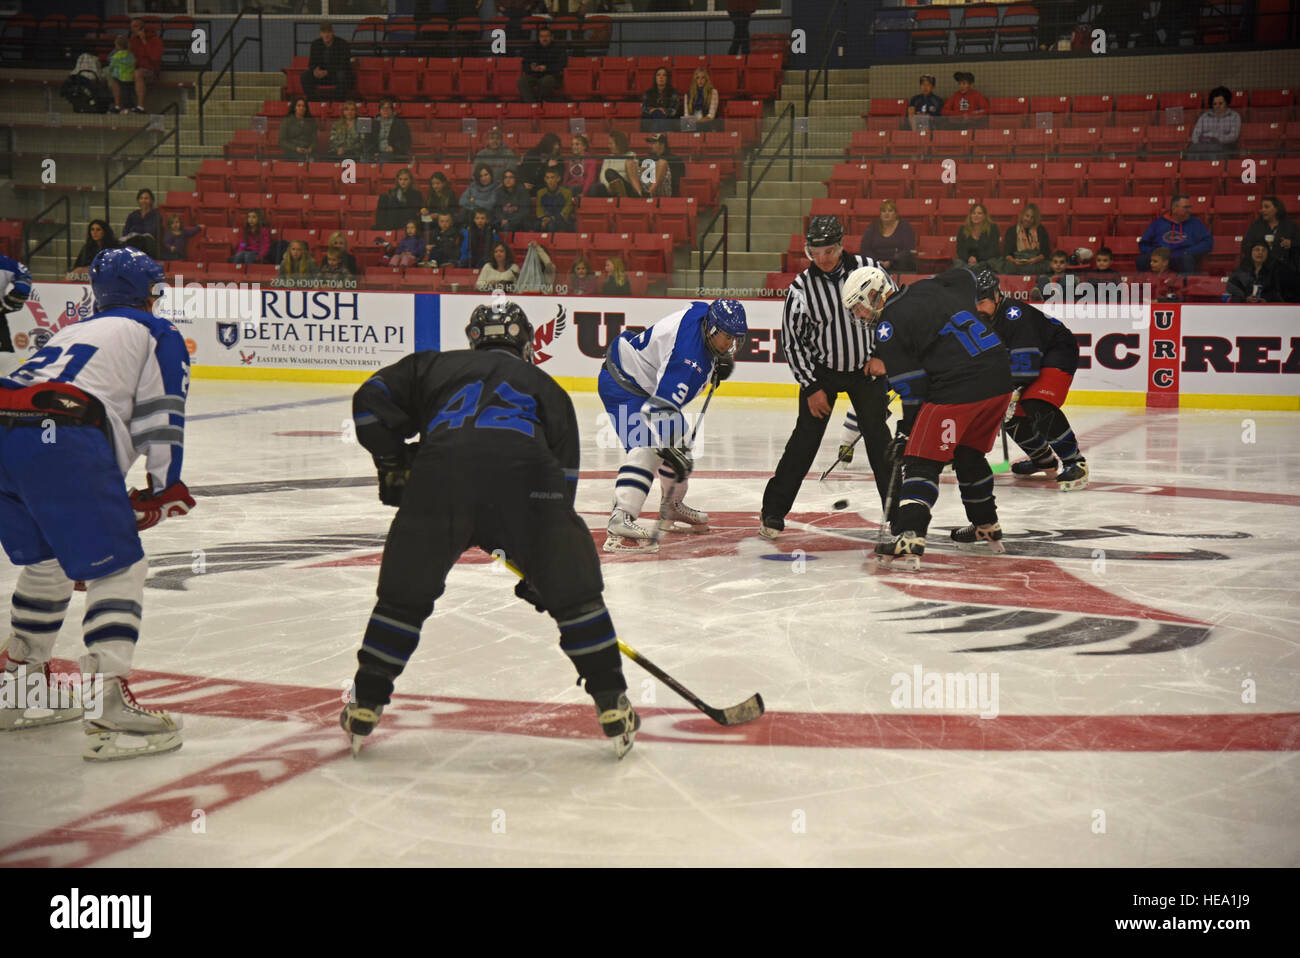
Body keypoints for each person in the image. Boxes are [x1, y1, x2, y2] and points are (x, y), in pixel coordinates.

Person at [340, 301, 642, 759]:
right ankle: (612, 701)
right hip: (528, 485)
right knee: (577, 597)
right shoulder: (547, 387)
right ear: (525, 344)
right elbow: (561, 490)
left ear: (473, 338)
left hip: (440, 480)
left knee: (403, 598)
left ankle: (366, 701)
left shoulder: (434, 366)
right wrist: (546, 570)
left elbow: (368, 406)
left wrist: (395, 461)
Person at [0, 247, 191, 755]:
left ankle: (17, 692)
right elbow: (162, 412)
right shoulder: (157, 333)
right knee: (120, 567)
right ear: (149, 291)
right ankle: (109, 711)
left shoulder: (69, 332)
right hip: (62, 432)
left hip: (5, 431)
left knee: (47, 567)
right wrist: (164, 486)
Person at [843, 265, 1012, 570]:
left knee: (921, 459)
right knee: (968, 454)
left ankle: (910, 534)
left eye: (858, 305)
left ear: (873, 293)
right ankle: (986, 522)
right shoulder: (929, 287)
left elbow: (914, 388)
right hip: (999, 378)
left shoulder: (888, 326)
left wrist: (907, 433)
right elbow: (965, 276)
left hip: (960, 386)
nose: (859, 315)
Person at [759, 215, 892, 539]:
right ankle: (772, 512)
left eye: (828, 252)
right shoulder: (802, 289)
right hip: (823, 373)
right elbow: (792, 343)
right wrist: (812, 386)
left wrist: (882, 355)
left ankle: (899, 514)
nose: (822, 259)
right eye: (815, 253)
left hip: (865, 371)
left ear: (841, 246)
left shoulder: (868, 268)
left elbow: (894, 310)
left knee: (880, 442)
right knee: (804, 443)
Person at [597, 299, 747, 552]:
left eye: (735, 338)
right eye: (727, 337)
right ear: (710, 330)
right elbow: (659, 410)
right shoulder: (688, 361)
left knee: (680, 442)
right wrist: (671, 448)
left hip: (642, 380)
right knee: (648, 447)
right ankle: (619, 521)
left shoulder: (704, 315)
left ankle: (671, 506)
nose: (731, 344)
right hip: (623, 383)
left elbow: (696, 306)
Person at [972, 269, 1088, 491]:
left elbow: (1026, 365)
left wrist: (1011, 390)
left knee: (1036, 403)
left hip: (1056, 351)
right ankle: (1043, 460)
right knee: (1009, 415)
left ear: (996, 296)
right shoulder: (981, 318)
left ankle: (1075, 461)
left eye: (983, 302)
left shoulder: (1015, 315)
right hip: (1029, 359)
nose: (978, 308)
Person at [1241, 196, 1299, 301]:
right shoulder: (1256, 226)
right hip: (1262, 268)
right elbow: (1245, 245)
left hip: (1285, 268)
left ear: (1277, 209)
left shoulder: (1291, 226)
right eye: (1261, 207)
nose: (1262, 210)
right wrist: (1258, 249)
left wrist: (1292, 244)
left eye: (1266, 207)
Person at [1137, 195, 1212, 274]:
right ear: (1174, 209)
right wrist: (1155, 253)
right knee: (1142, 260)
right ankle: (1147, 285)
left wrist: (1189, 252)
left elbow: (1208, 242)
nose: (1190, 210)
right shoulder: (1158, 223)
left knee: (1187, 260)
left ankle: (1187, 285)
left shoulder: (1195, 223)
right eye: (1186, 207)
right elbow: (1144, 243)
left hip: (1181, 257)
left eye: (1190, 207)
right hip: (1161, 256)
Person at [300, 21, 353, 101]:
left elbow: (344, 64)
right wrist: (315, 70)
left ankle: (337, 103)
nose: (326, 35)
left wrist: (328, 71)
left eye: (328, 32)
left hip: (335, 75)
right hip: (321, 76)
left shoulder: (342, 44)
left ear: (333, 33)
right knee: (305, 76)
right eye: (324, 32)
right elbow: (311, 63)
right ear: (320, 34)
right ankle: (314, 101)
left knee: (342, 75)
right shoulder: (315, 44)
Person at [860, 199, 916, 274]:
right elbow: (865, 248)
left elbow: (908, 249)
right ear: (880, 214)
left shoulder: (905, 227)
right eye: (883, 211)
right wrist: (876, 261)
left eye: (890, 211)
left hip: (898, 264)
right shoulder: (873, 227)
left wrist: (891, 262)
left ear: (896, 214)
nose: (886, 213)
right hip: (876, 264)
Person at [995, 203, 1051, 275]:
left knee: (1044, 266)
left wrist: (1034, 260)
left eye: (1032, 217)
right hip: (1017, 260)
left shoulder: (1041, 230)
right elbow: (1007, 253)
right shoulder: (1012, 230)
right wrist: (1014, 261)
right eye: (1027, 216)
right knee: (1007, 266)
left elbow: (1045, 252)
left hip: (1035, 260)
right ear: (1022, 216)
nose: (1028, 219)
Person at [1187, 86, 1241, 160]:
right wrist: (1202, 142)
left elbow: (1233, 135)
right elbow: (1195, 135)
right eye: (1215, 104)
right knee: (1192, 148)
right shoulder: (1204, 116)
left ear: (1227, 102)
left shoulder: (1234, 116)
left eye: (1220, 103)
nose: (1217, 106)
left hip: (1223, 145)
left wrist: (1217, 139)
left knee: (1215, 149)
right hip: (1203, 145)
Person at [0, 253, 33, 376]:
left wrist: (16, 295)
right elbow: (24, 276)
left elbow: (24, 276)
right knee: (7, 359)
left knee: (6, 357)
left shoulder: (4, 262)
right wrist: (16, 296)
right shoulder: (5, 262)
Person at [518, 25, 567, 103]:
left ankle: (539, 102)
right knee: (522, 81)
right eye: (542, 36)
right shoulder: (532, 48)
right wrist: (531, 67)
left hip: (552, 76)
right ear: (538, 37)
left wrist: (546, 68)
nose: (544, 39)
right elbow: (525, 64)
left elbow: (562, 65)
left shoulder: (558, 49)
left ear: (551, 37)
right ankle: (531, 104)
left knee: (547, 80)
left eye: (547, 36)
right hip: (535, 75)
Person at [126, 17, 162, 114]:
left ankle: (140, 107)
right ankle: (119, 106)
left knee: (138, 73)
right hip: (133, 68)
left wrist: (144, 41)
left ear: (143, 28)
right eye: (132, 27)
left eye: (136, 26)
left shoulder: (155, 40)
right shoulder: (132, 41)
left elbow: (154, 57)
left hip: (150, 70)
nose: (133, 29)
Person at [593, 130, 639, 199]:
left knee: (610, 173)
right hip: (610, 188)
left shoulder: (631, 155)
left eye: (611, 144)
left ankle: (622, 197)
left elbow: (634, 175)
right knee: (595, 187)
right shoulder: (608, 158)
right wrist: (608, 186)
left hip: (626, 186)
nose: (609, 146)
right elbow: (602, 175)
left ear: (619, 144)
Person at [954, 202, 999, 269]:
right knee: (957, 264)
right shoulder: (963, 229)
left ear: (984, 216)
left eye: (979, 213)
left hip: (985, 261)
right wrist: (969, 258)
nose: (976, 215)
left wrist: (977, 258)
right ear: (970, 215)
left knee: (991, 263)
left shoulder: (992, 228)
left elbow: (992, 250)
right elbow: (960, 249)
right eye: (973, 213)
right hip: (966, 261)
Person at [364, 98, 411, 163]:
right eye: (383, 108)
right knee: (364, 160)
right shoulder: (374, 123)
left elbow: (406, 141)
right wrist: (374, 151)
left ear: (392, 110)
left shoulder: (400, 123)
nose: (385, 110)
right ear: (379, 110)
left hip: (393, 153)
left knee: (383, 160)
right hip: (376, 153)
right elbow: (368, 140)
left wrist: (394, 148)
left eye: (388, 108)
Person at [120, 188, 161, 259]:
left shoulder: (156, 215)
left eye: (146, 198)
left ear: (151, 200)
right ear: (138, 200)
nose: (143, 200)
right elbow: (126, 231)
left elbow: (153, 232)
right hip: (133, 242)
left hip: (148, 244)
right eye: (141, 198)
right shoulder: (133, 215)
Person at [492, 168, 534, 234]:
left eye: (510, 177)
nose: (508, 180)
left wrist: (509, 220)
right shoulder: (499, 192)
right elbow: (497, 210)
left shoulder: (522, 191)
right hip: (503, 220)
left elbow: (524, 212)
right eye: (505, 177)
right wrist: (502, 219)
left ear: (515, 179)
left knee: (508, 226)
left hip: (517, 221)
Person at [640, 66, 680, 134]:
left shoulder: (673, 93)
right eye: (658, 75)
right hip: (651, 120)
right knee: (657, 113)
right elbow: (644, 108)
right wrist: (652, 110)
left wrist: (665, 111)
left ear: (667, 78)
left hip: (667, 119)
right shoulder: (648, 93)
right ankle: (663, 135)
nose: (661, 77)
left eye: (664, 75)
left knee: (659, 114)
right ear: (655, 78)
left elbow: (675, 110)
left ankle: (655, 136)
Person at [278, 97, 317, 162]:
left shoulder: (311, 121)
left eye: (303, 106)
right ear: (294, 107)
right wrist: (295, 149)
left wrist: (310, 148)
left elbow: (315, 140)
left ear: (306, 108)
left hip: (308, 153)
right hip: (292, 153)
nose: (301, 108)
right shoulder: (287, 121)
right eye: (298, 105)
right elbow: (282, 141)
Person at [682, 67, 720, 132]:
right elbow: (686, 115)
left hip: (706, 123)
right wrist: (692, 122)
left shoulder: (713, 92)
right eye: (698, 78)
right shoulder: (688, 94)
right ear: (695, 80)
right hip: (691, 123)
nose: (700, 80)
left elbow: (711, 115)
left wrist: (697, 121)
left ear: (706, 79)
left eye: (703, 78)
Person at [107, 35, 137, 115]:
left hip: (120, 77)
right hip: (129, 78)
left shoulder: (116, 56)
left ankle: (127, 108)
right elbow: (134, 62)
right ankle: (132, 107)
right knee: (128, 93)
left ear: (118, 46)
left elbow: (111, 65)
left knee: (124, 93)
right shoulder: (130, 54)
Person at [564, 134, 600, 198]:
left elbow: (590, 179)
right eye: (572, 144)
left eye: (577, 144)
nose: (574, 147)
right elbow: (566, 177)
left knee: (572, 190)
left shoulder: (591, 160)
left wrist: (584, 193)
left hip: (582, 187)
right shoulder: (569, 159)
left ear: (584, 146)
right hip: (570, 186)